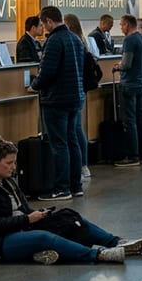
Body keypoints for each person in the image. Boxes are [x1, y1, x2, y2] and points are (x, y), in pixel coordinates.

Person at [0, 135, 142, 264]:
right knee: (43, 237)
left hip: (18, 228)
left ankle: (115, 241)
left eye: (14, 163)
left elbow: (23, 209)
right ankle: (97, 254)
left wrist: (40, 215)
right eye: (9, 163)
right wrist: (27, 219)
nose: (13, 168)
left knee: (69, 217)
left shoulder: (7, 182)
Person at [26, 6, 85, 201]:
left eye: (43, 24)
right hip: (75, 97)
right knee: (72, 142)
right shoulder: (75, 39)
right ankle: (76, 186)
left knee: (59, 144)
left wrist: (34, 86)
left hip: (56, 99)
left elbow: (48, 72)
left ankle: (61, 188)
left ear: (49, 21)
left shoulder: (54, 41)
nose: (43, 28)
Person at [112, 14, 142, 167]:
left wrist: (117, 66)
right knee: (141, 119)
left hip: (129, 84)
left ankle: (133, 155)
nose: (121, 27)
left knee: (130, 121)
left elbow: (126, 64)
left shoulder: (129, 40)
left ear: (127, 25)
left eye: (121, 24)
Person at [63, 13, 95, 178]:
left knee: (74, 129)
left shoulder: (71, 41)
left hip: (74, 89)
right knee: (77, 129)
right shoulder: (82, 40)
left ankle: (80, 165)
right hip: (81, 89)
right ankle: (83, 165)